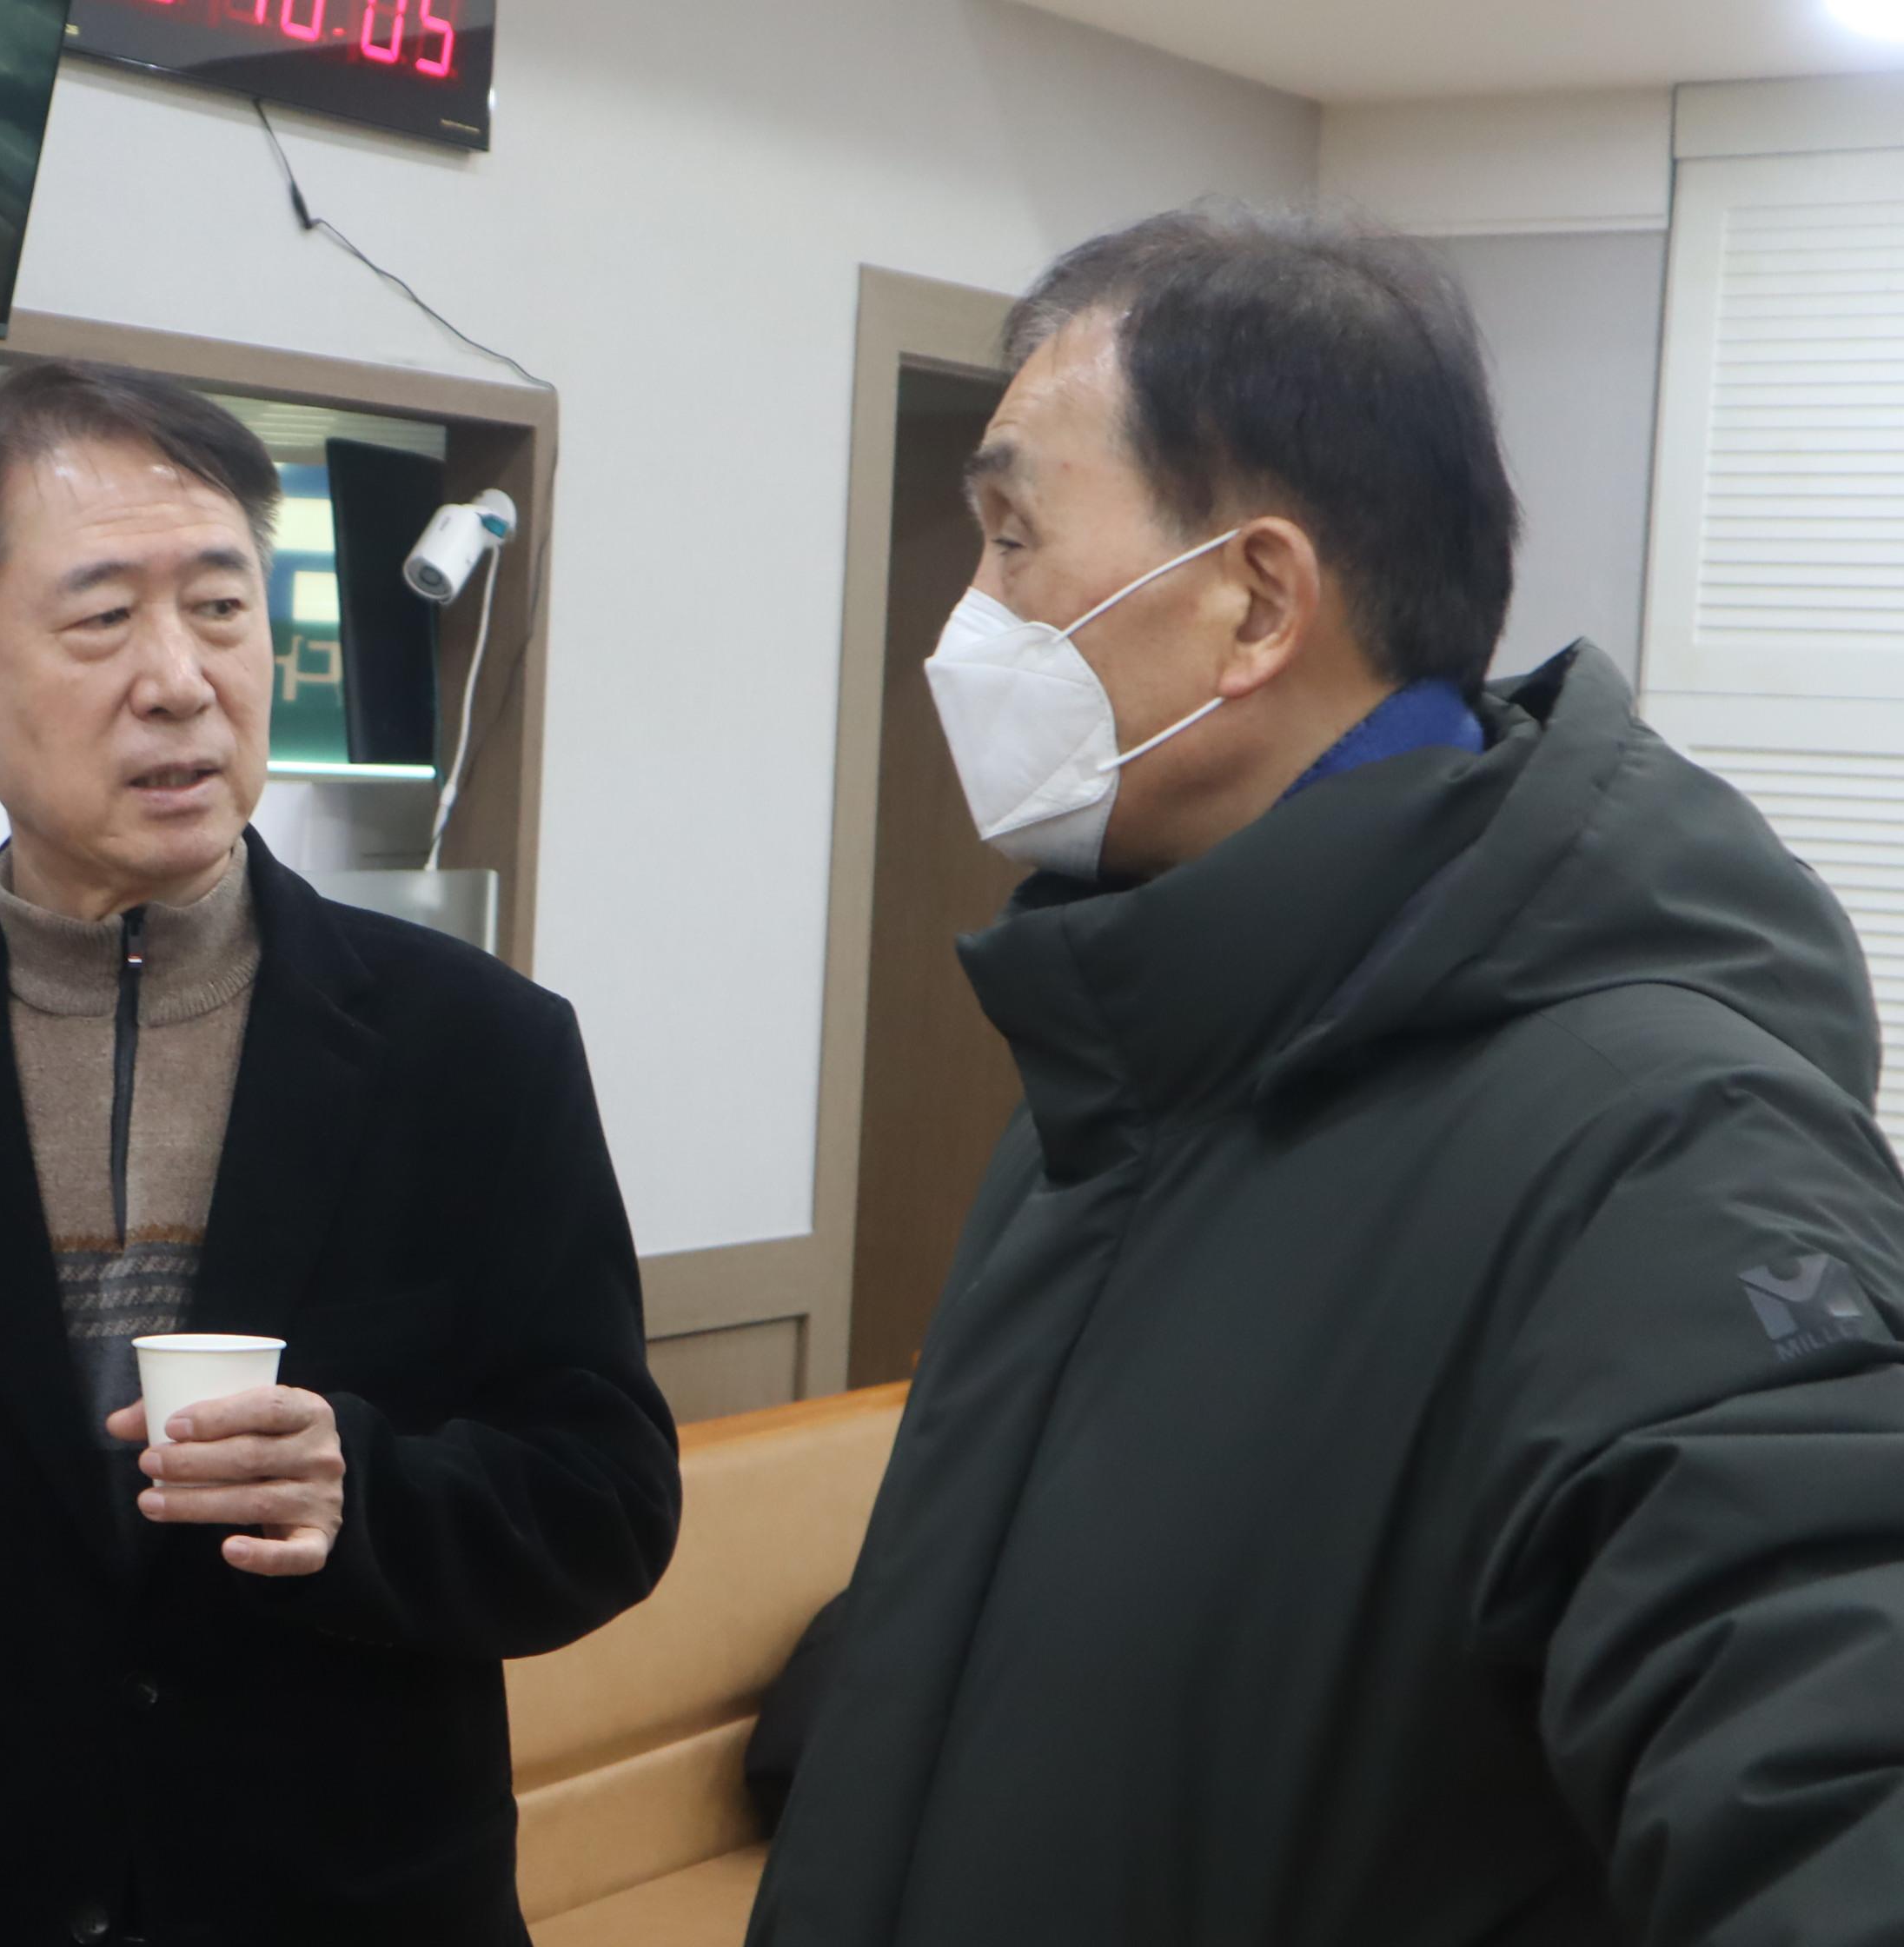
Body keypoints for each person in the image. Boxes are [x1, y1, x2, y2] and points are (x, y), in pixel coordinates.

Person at [746, 207, 1904, 1944]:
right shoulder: (1128, 1077)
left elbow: (1830, 1752)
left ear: (1256, 605)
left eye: (1012, 539)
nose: (970, 616)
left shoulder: (1667, 1154)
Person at [0, 359, 680, 1945]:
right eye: (102, 620)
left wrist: (360, 1488)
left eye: (222, 609)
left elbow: (609, 1496)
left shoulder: (476, 1047)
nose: (180, 680)